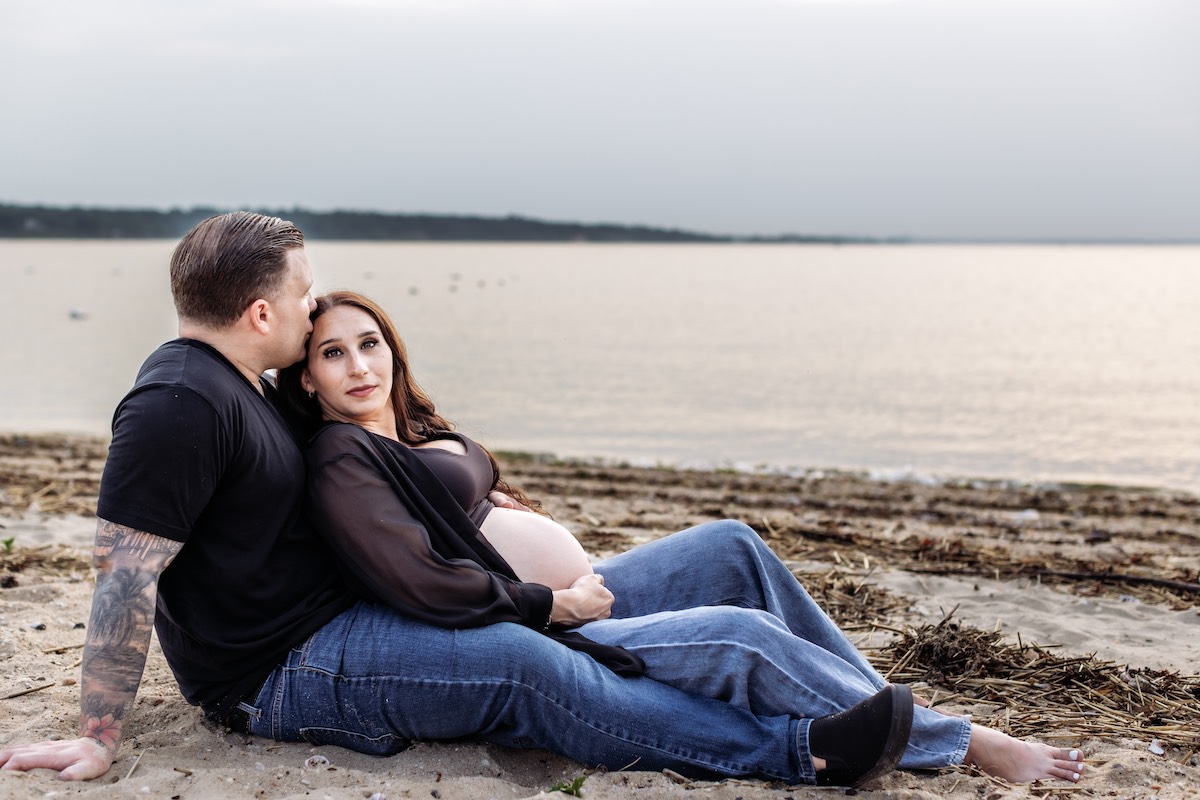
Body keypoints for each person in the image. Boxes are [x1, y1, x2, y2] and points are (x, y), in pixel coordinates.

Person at [0, 211, 928, 788]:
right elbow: (123, 577)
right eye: (305, 296)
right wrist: (97, 737)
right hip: (282, 671)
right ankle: (796, 752)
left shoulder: (251, 388)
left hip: (359, 615)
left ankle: (894, 718)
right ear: (261, 314)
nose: (316, 308)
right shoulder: (177, 403)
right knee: (525, 663)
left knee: (719, 551)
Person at [274, 290, 1088, 787]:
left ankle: (890, 713)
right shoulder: (343, 453)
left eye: (369, 343)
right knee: (741, 636)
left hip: (579, 594)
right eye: (333, 354)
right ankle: (967, 744)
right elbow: (409, 572)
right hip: (546, 623)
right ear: (307, 378)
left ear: (393, 348)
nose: (358, 366)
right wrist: (552, 605)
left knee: (731, 546)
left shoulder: (409, 428)